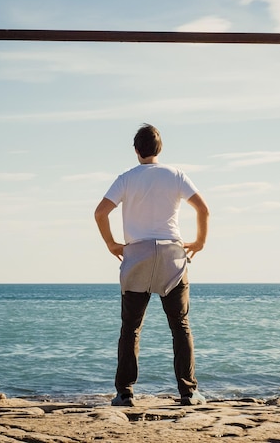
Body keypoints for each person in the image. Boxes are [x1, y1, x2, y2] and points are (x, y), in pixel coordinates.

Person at [94, 123, 210, 407]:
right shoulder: (176, 175)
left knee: (131, 329)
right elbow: (204, 209)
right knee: (180, 326)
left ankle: (125, 394)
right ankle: (189, 392)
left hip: (138, 255)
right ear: (160, 150)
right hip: (172, 255)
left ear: (136, 151)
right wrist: (199, 242)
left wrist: (112, 244)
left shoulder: (126, 178)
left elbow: (100, 213)